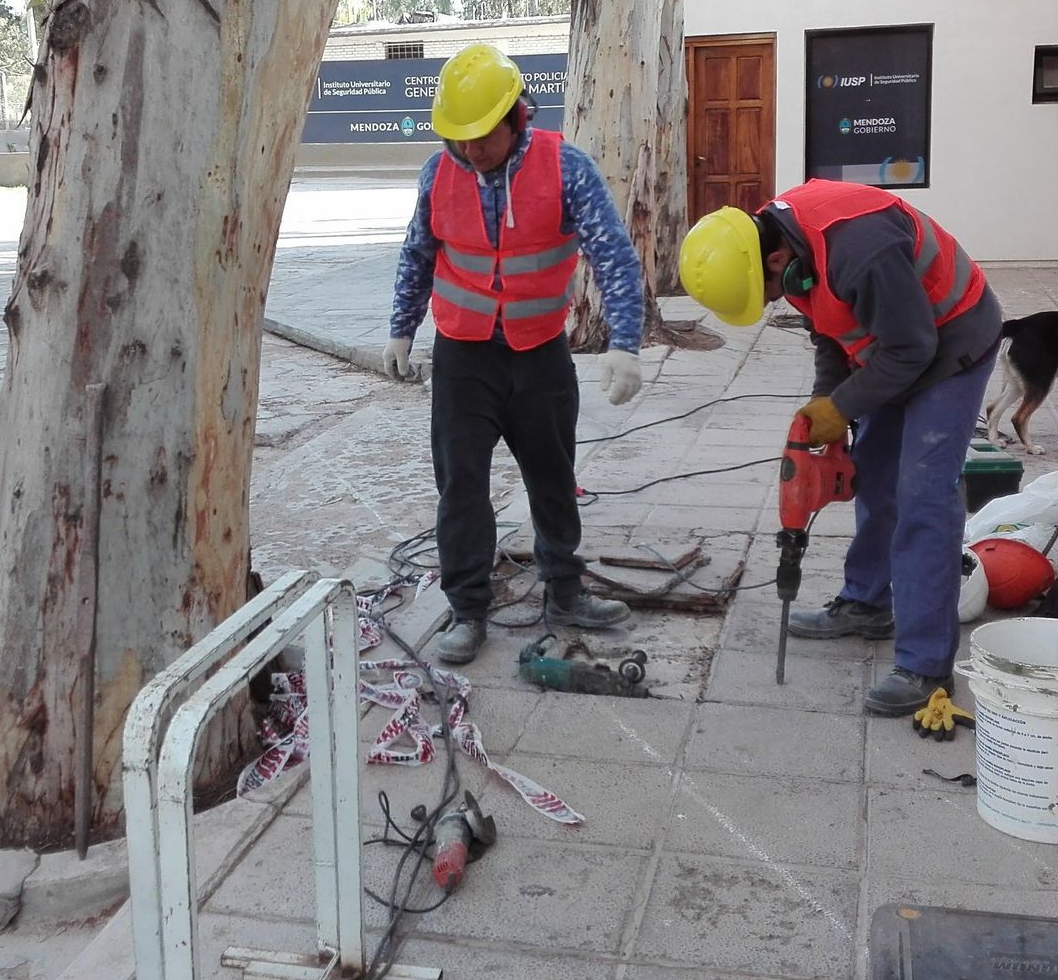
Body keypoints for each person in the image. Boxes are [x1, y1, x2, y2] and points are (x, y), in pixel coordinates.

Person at [678, 181, 1003, 716]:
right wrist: (825, 401)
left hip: (951, 340)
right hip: (896, 342)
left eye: (765, 292)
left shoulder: (860, 251)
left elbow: (913, 348)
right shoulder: (778, 242)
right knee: (872, 471)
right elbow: (830, 330)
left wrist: (844, 405)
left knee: (922, 495)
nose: (769, 300)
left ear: (775, 259)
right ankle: (867, 603)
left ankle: (924, 663)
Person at [383, 44, 646, 666]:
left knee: (553, 478)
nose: (469, 150)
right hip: (463, 359)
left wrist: (626, 342)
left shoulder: (566, 168)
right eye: (458, 138)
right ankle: (468, 609)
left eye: (480, 136)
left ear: (515, 117)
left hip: (538, 353)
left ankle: (564, 592)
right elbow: (418, 254)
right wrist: (401, 328)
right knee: (461, 485)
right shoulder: (438, 172)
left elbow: (612, 254)